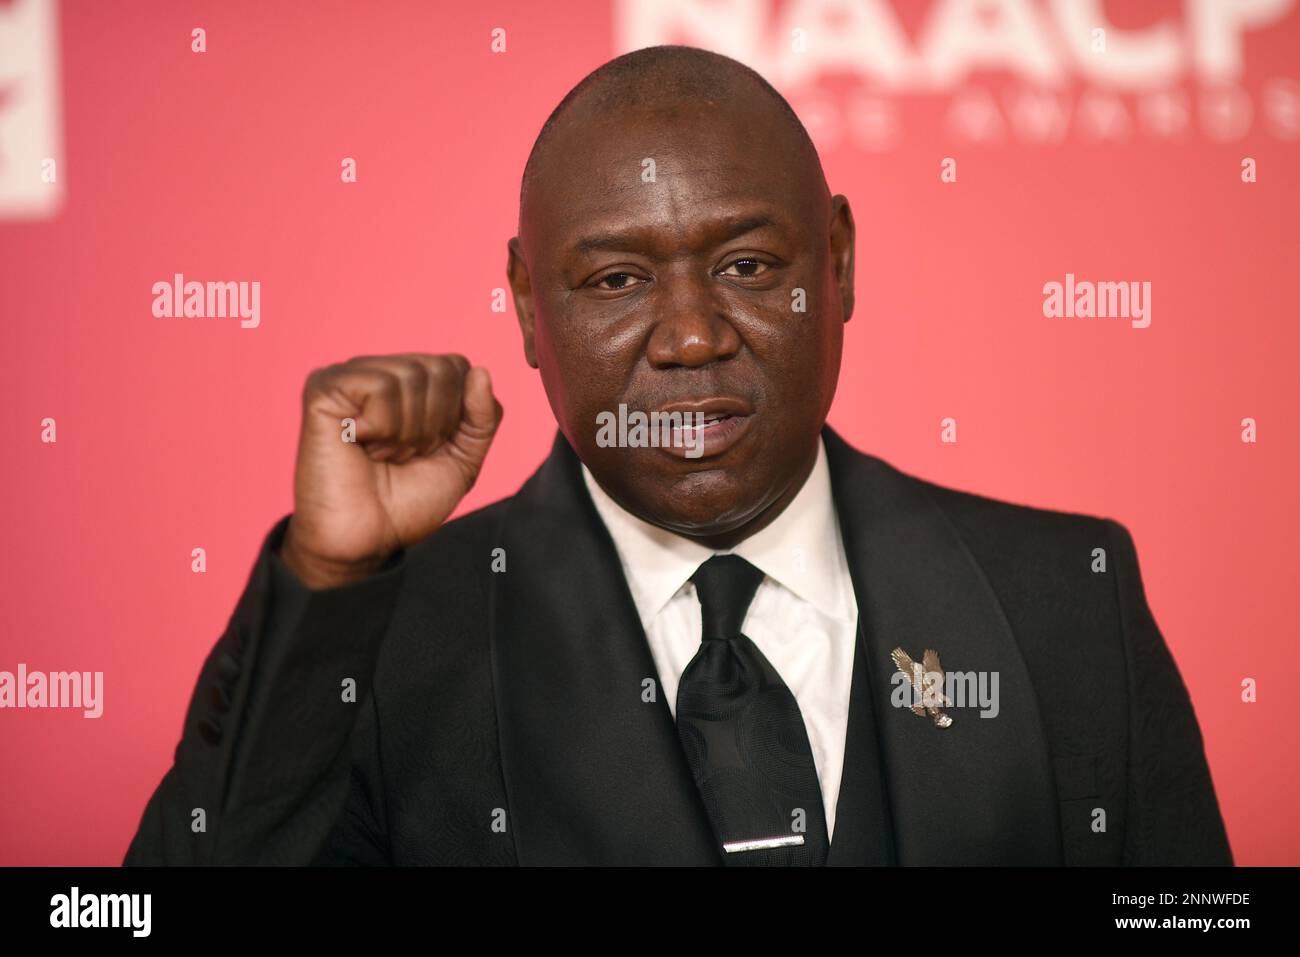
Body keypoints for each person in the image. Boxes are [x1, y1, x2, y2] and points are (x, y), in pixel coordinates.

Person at [124, 45, 1231, 866]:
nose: (692, 336)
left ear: (835, 265)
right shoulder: (386, 638)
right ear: (522, 305)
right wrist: (327, 590)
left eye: (748, 265)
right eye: (614, 281)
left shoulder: (1063, 599)